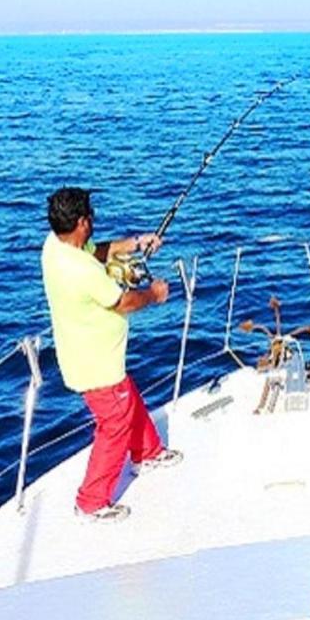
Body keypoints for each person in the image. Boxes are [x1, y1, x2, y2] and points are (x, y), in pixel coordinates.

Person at [41, 187, 182, 522]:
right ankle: (91, 502)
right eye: (90, 216)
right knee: (114, 422)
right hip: (95, 362)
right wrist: (154, 293)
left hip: (86, 354)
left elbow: (96, 251)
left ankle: (146, 453)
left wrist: (136, 242)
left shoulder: (55, 247)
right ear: (81, 222)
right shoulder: (83, 272)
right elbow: (124, 301)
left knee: (126, 399)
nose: (93, 220)